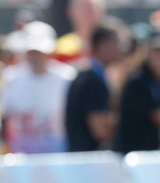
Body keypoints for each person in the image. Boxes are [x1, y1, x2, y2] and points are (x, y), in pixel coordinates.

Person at [0, 21, 75, 154]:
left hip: (58, 156)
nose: (36, 57)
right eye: (32, 52)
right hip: (19, 159)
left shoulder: (67, 78)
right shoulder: (10, 79)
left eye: (40, 52)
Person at [65, 19, 128, 152]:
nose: (123, 48)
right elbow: (101, 131)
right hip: (88, 165)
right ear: (103, 45)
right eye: (118, 42)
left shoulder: (91, 76)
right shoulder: (91, 81)